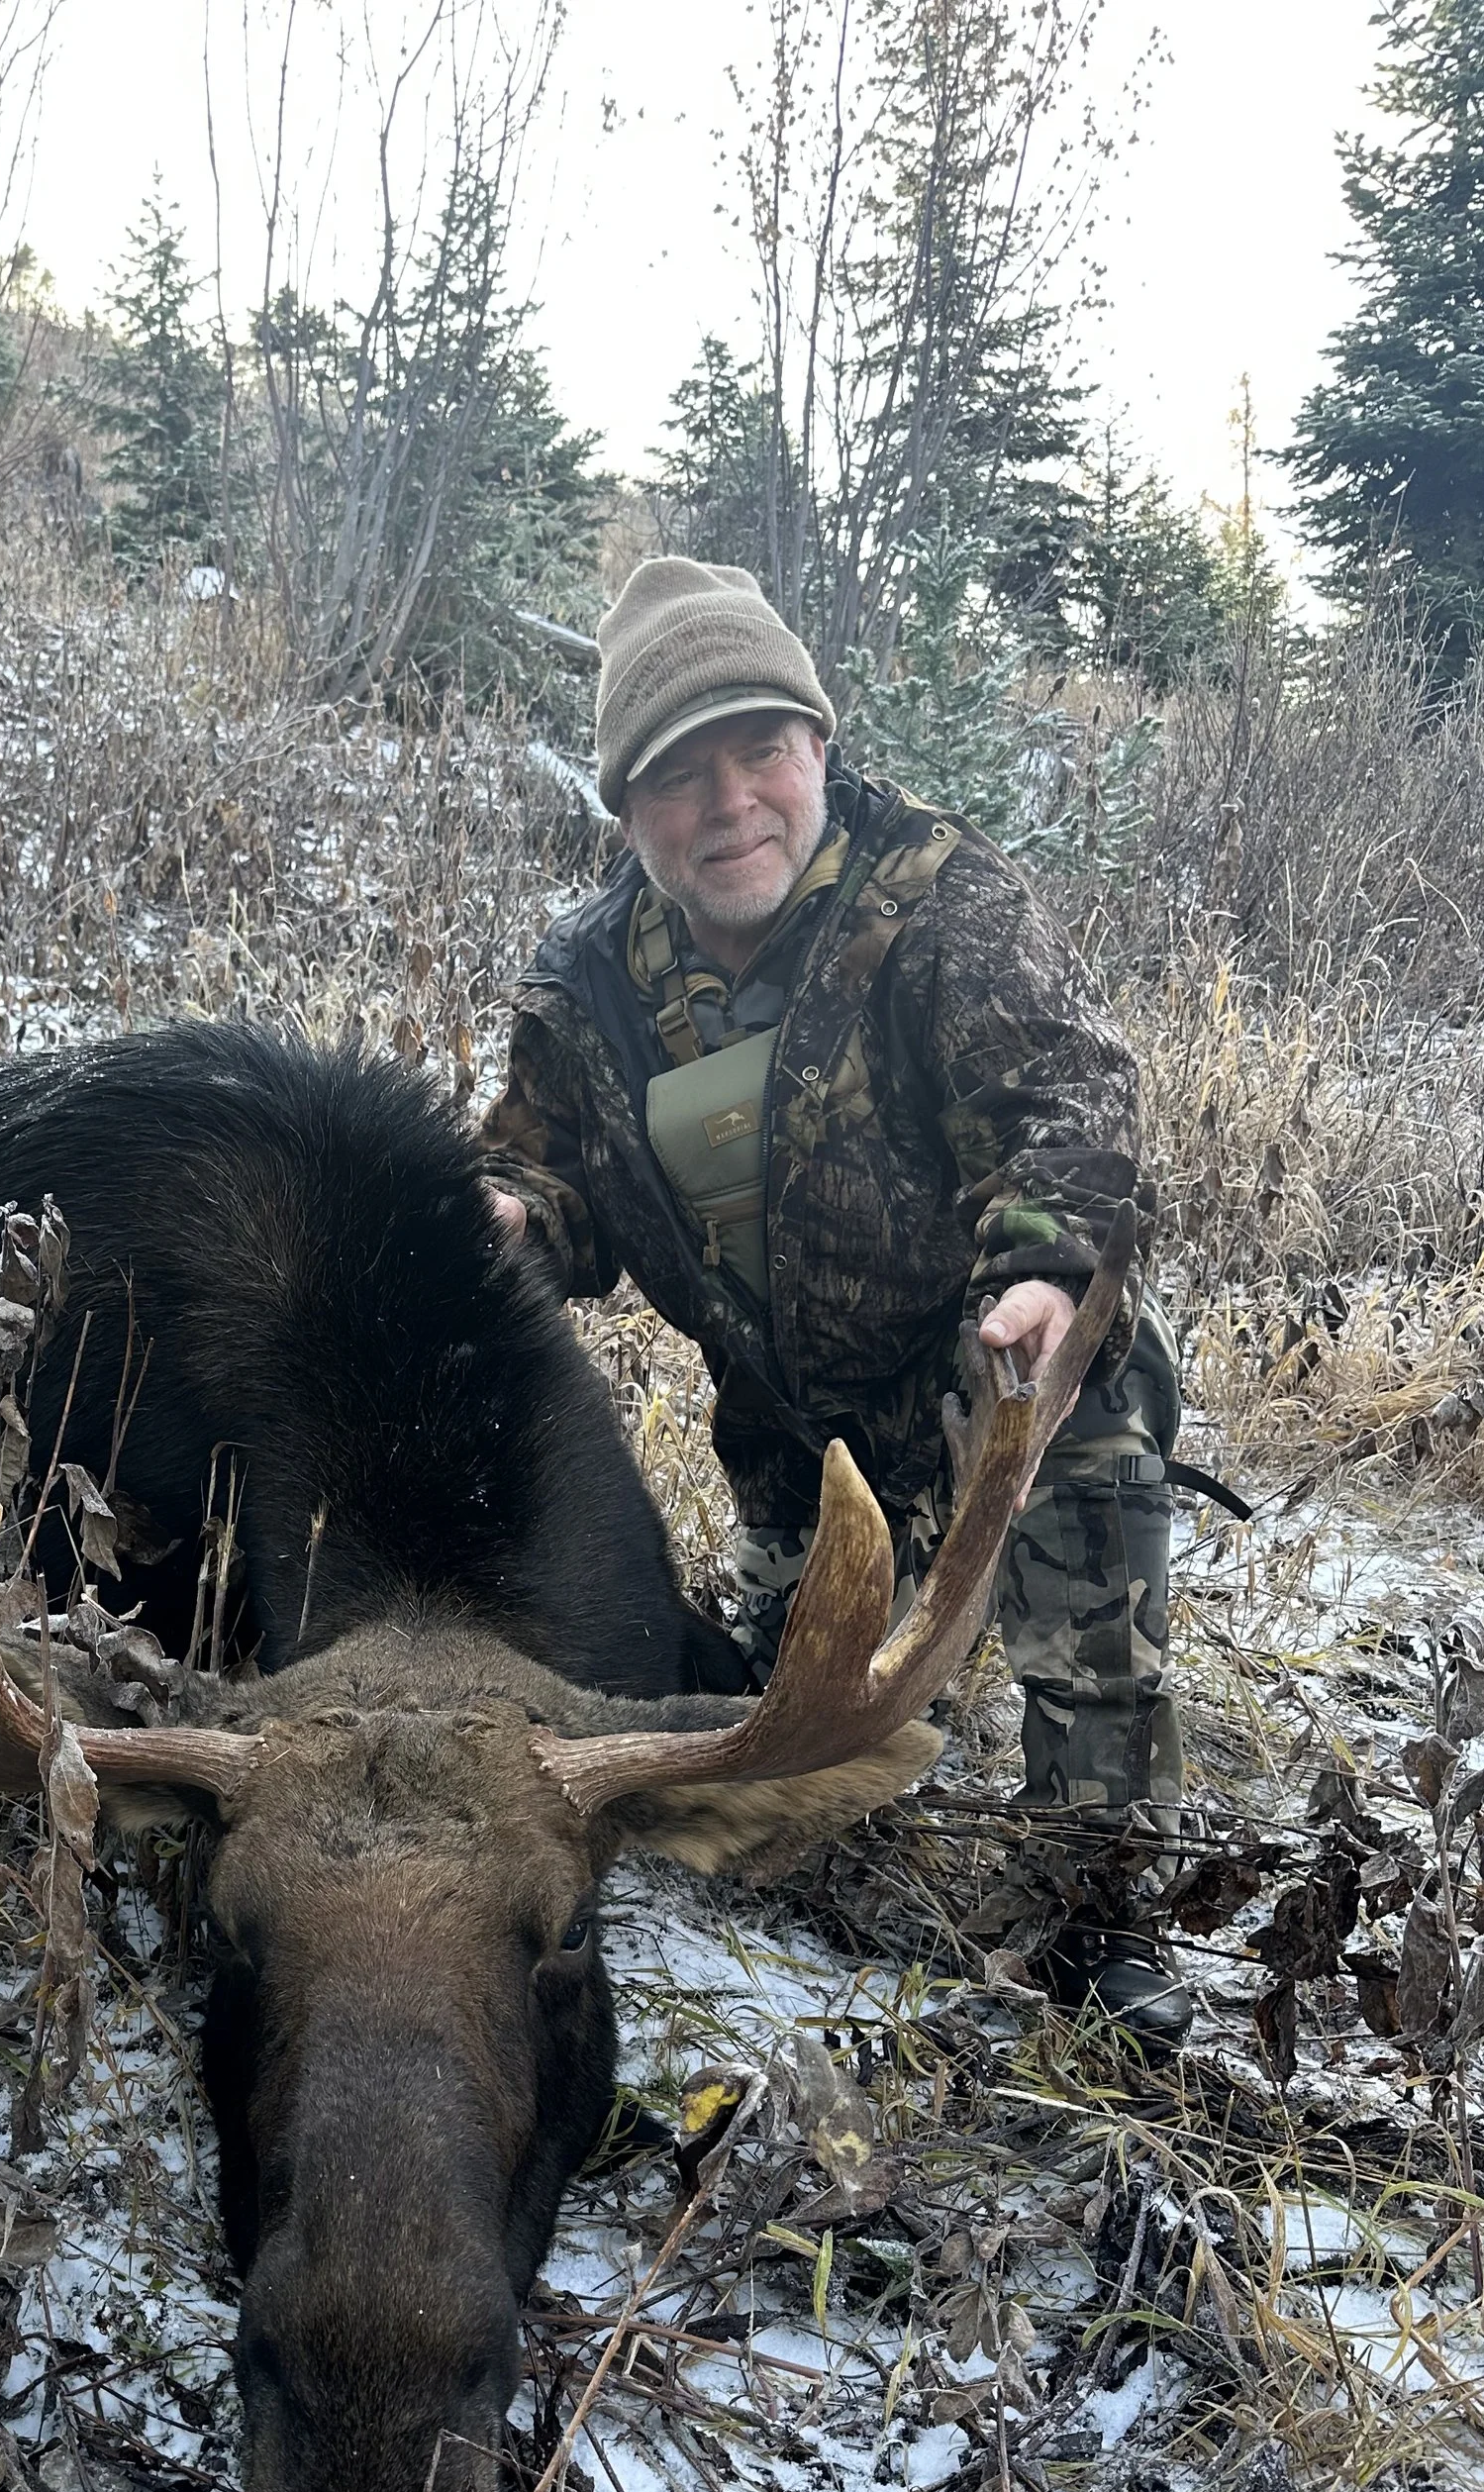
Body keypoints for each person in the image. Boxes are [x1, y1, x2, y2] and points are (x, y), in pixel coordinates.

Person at [481, 555, 1194, 2044]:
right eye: (679, 775)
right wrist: (500, 1219)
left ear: (821, 745)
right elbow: (547, 1184)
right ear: (625, 810)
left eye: (762, 751)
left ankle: (1101, 1912)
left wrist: (1047, 1266)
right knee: (780, 1762)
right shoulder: (583, 986)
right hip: (798, 1434)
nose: (730, 801)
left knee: (1081, 1546)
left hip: (996, 1369)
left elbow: (1064, 1094)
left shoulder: (942, 903)